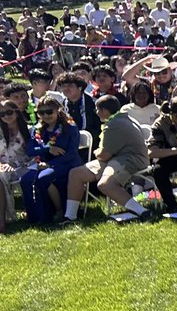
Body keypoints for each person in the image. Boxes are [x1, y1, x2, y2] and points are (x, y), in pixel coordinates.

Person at [60, 95, 151, 222]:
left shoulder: (114, 124)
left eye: (97, 109)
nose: (96, 113)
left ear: (104, 111)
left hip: (131, 159)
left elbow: (104, 155)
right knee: (76, 174)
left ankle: (142, 211)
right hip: (117, 158)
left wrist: (97, 152)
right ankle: (70, 216)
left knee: (105, 184)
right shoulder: (122, 118)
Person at [19, 96, 81, 224]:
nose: (45, 115)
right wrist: (48, 149)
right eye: (41, 113)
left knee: (43, 178)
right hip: (43, 164)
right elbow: (30, 150)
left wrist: (49, 164)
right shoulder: (38, 129)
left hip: (66, 163)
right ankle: (34, 215)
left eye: (49, 111)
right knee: (25, 179)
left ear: (58, 110)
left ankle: (58, 211)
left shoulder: (69, 127)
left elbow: (72, 153)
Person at [0, 99, 32, 232]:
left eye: (9, 112)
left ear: (16, 112)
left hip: (24, 165)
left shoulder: (28, 131)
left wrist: (13, 164)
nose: (6, 116)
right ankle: (2, 220)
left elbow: (32, 155)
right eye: (2, 114)